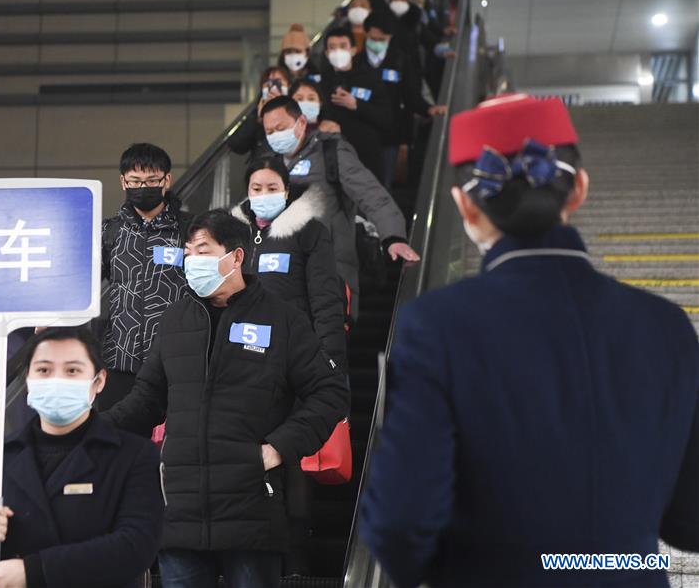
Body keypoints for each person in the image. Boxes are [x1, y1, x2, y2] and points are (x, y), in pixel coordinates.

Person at [360, 94, 699, 588]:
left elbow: (399, 524)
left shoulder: (435, 327)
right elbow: (690, 519)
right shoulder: (667, 325)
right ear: (579, 188)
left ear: (464, 206)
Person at [101, 210, 350, 588]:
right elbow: (146, 399)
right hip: (180, 508)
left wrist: (280, 448)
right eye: (187, 251)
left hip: (250, 505)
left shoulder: (282, 320)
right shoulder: (175, 319)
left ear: (235, 257)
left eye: (202, 250)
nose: (191, 260)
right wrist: (90, 430)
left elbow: (329, 391)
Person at [0, 327, 164, 588]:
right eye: (44, 370)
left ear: (98, 381)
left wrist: (33, 571)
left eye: (72, 370)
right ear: (28, 379)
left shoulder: (132, 456)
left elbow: (135, 548)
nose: (57, 380)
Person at [231, 155, 349, 576]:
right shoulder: (233, 235)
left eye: (272, 188)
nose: (264, 196)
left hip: (295, 368)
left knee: (292, 458)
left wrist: (329, 359)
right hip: (243, 369)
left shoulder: (308, 232)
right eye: (256, 189)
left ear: (287, 190)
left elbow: (324, 298)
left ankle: (296, 563)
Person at [260, 95, 420, 321]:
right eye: (269, 132)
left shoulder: (331, 152)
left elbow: (371, 194)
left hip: (332, 273)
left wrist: (393, 236)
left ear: (302, 123)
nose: (276, 136)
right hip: (284, 275)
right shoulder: (267, 164)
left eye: (281, 128)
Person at [99, 143, 192, 422]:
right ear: (123, 181)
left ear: (167, 180)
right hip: (119, 360)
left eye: (152, 181)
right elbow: (86, 283)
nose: (143, 187)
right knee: (116, 445)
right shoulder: (109, 231)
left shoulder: (189, 230)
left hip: (174, 362)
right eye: (135, 181)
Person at [356, 13, 447, 192]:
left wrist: (428, 109)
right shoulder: (356, 62)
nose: (376, 42)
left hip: (391, 133)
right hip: (362, 132)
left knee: (385, 184)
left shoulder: (400, 60)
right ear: (366, 34)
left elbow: (410, 94)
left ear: (390, 37)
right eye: (373, 38)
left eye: (381, 39)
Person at [319, 25, 394, 177]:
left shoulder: (370, 79)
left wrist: (357, 105)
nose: (337, 51)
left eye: (343, 46)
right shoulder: (321, 82)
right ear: (326, 53)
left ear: (353, 50)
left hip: (366, 156)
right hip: (332, 156)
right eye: (332, 47)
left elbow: (386, 119)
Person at [227, 66, 291, 157]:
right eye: (269, 84)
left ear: (289, 86)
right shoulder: (256, 114)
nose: (274, 88)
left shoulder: (298, 109)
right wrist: (258, 119)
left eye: (278, 83)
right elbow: (236, 145)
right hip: (261, 166)